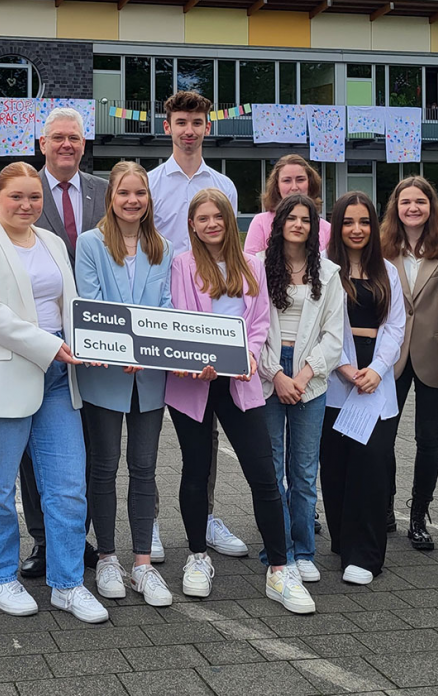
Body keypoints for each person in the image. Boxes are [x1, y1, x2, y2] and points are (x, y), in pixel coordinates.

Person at [0, 162, 109, 624]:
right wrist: (53, 345)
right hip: (5, 376)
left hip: (60, 376)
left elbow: (73, 303)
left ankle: (67, 584)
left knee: (67, 488)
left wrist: (97, 340)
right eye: (16, 196)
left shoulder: (53, 242)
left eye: (34, 198)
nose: (26, 205)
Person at [166, 189, 315, 614]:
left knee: (263, 474)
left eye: (218, 217)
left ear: (229, 221)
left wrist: (248, 356)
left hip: (240, 380)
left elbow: (260, 322)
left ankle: (279, 570)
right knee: (196, 470)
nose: (211, 224)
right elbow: (178, 316)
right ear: (192, 225)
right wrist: (194, 358)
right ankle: (197, 557)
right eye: (202, 218)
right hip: (193, 382)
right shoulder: (181, 264)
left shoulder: (251, 265)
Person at [148, 90, 247, 558]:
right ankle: (145, 519)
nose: (189, 130)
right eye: (181, 122)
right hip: (165, 316)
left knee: (204, 432)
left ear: (208, 126)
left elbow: (229, 256)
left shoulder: (223, 186)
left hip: (211, 320)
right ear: (166, 127)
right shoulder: (149, 184)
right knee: (147, 425)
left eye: (197, 122)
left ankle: (204, 517)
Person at [75, 161, 174, 607]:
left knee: (144, 468)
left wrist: (148, 351)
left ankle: (142, 564)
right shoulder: (90, 244)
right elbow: (91, 305)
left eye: (140, 193)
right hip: (106, 376)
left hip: (149, 379)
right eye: (124, 193)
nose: (133, 200)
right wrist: (129, 349)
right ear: (110, 198)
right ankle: (108, 557)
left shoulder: (163, 247)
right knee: (103, 466)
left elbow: (168, 309)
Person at [18, 107, 108, 579]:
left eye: (74, 137)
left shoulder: (105, 191)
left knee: (88, 442)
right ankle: (43, 539)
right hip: (39, 335)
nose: (67, 145)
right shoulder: (24, 189)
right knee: (36, 447)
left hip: (96, 334)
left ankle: (76, 533)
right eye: (58, 138)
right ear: (42, 143)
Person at [257, 193, 345, 583]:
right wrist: (276, 375)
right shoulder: (258, 267)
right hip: (270, 372)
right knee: (272, 469)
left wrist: (304, 376)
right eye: (290, 218)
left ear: (314, 227)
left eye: (305, 219)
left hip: (311, 374)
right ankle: (279, 550)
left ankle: (304, 550)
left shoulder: (329, 273)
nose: (297, 224)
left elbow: (334, 335)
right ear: (279, 224)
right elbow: (253, 330)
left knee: (305, 471)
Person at [322, 192, 406, 586]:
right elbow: (322, 325)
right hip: (336, 377)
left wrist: (375, 369)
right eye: (348, 222)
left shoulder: (386, 270)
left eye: (365, 222)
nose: (357, 230)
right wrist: (342, 366)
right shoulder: (322, 270)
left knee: (371, 467)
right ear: (337, 227)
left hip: (375, 380)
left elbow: (395, 327)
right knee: (336, 467)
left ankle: (366, 554)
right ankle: (343, 541)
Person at [380, 176, 438, 551]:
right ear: (396, 207)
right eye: (405, 201)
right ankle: (386, 507)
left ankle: (419, 516)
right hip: (390, 354)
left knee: (428, 439)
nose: (412, 208)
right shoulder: (381, 248)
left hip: (432, 352)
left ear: (430, 207)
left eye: (420, 202)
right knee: (384, 436)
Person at [244, 154, 333, 254]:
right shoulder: (260, 222)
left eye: (300, 180)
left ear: (310, 183)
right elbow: (250, 265)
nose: (294, 187)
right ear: (277, 185)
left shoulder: (327, 229)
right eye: (287, 181)